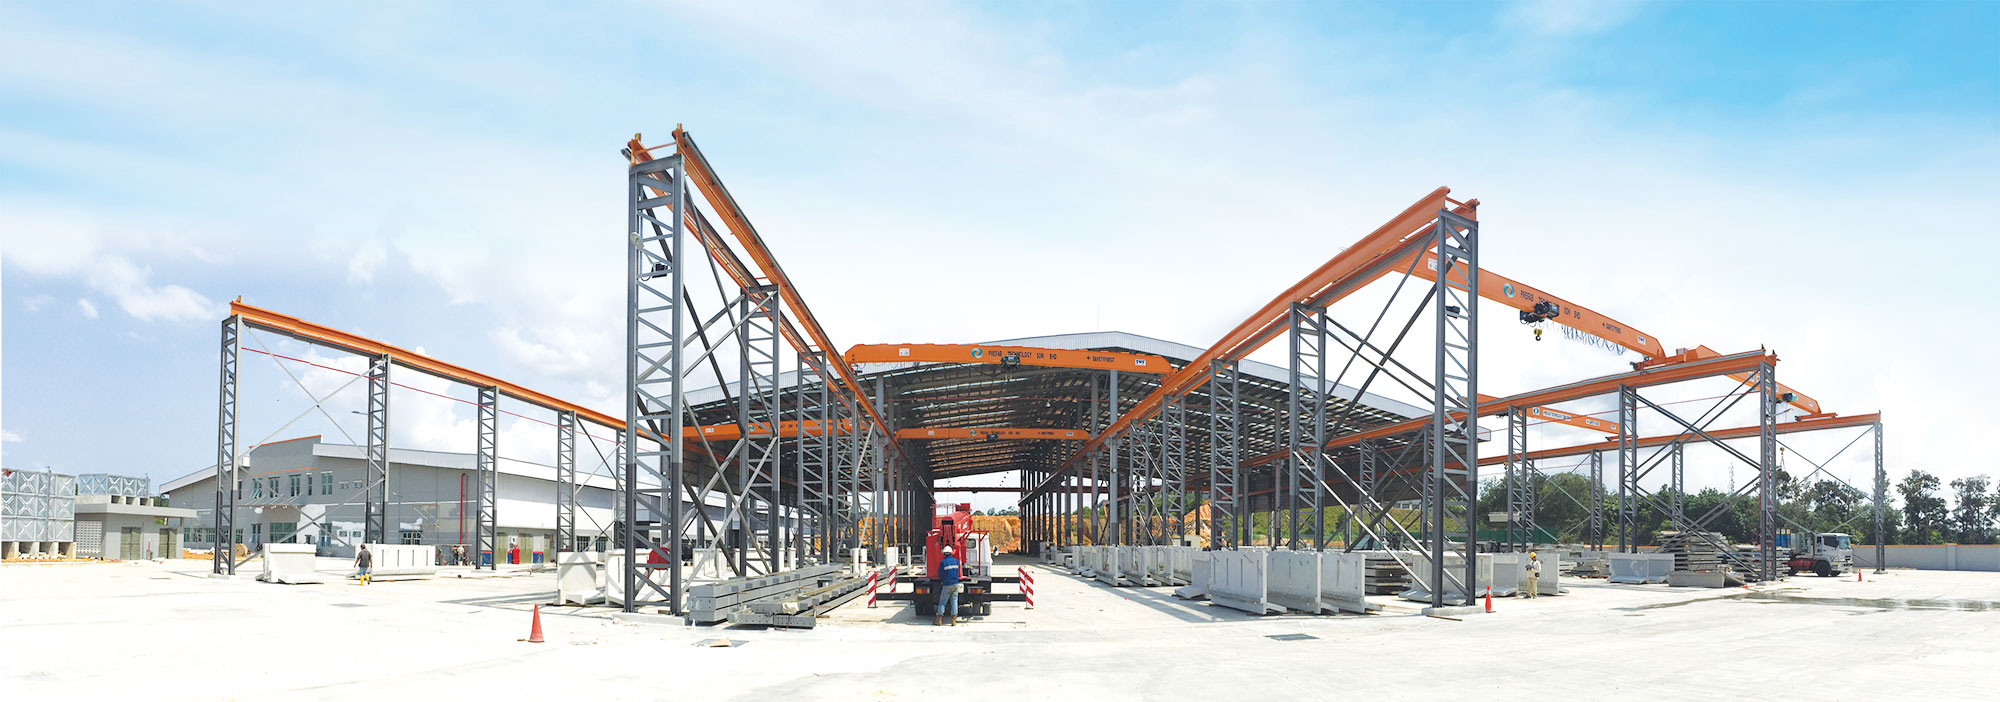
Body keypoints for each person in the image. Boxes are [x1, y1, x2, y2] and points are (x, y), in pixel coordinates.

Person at [935, 546, 962, 626]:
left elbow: (940, 574)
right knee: (954, 602)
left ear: (944, 553)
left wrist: (941, 580)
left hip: (947, 584)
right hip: (955, 583)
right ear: (951, 553)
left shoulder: (943, 562)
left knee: (942, 602)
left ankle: (939, 620)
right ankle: (954, 620)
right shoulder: (956, 561)